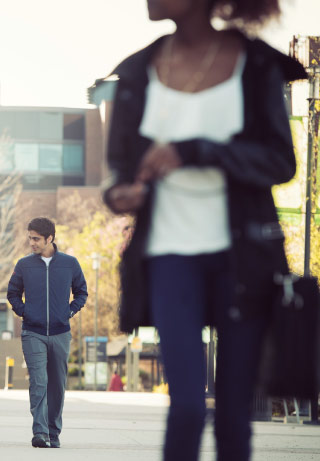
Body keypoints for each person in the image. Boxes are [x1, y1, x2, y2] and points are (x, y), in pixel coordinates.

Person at [102, 1, 305, 459]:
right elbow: (117, 174)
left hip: (244, 258)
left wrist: (195, 151)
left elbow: (281, 161)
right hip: (168, 254)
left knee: (235, 415)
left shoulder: (255, 65)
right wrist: (121, 195)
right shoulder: (137, 73)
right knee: (188, 407)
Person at [7, 217, 88, 448]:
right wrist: (26, 313)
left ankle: (54, 432)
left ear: (50, 238)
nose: (31, 242)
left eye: (36, 239)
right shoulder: (24, 264)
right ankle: (40, 433)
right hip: (33, 332)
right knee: (39, 382)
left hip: (61, 333)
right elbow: (13, 293)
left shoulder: (70, 263)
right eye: (29, 237)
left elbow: (81, 292)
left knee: (57, 385)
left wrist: (68, 312)